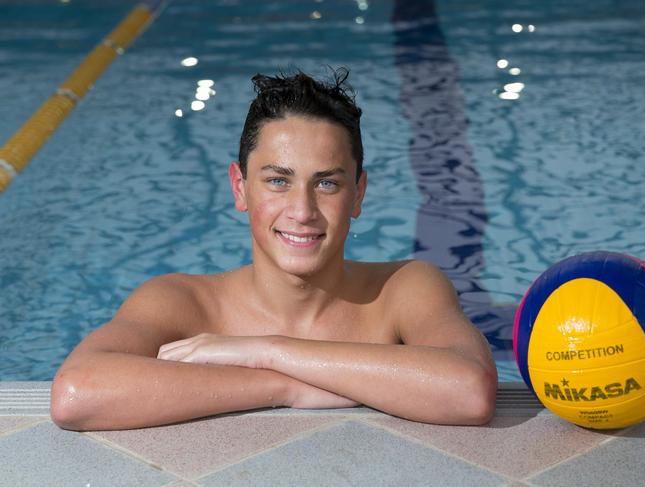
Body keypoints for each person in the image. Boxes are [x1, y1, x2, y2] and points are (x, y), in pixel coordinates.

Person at [50, 68, 497, 431]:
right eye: (278, 180)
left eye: (326, 183)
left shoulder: (404, 287)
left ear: (358, 194)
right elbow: (77, 393)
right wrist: (286, 388)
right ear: (240, 188)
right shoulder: (183, 301)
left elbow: (470, 392)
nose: (302, 211)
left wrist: (268, 350)